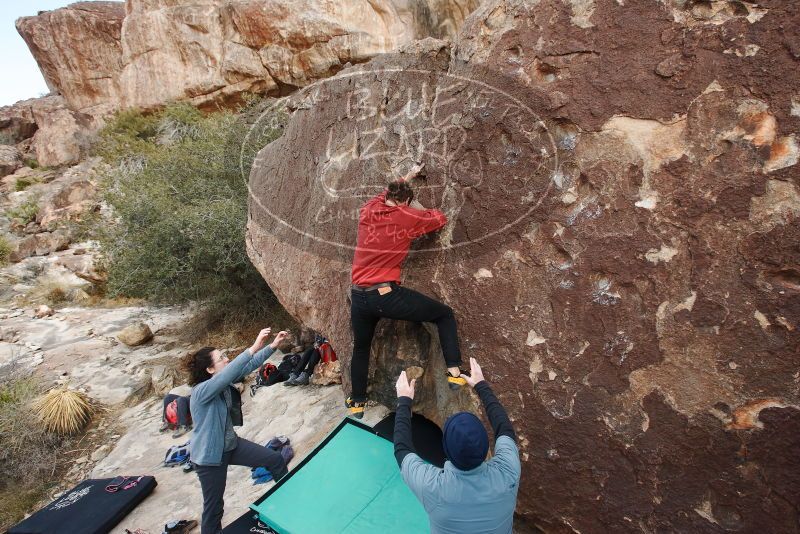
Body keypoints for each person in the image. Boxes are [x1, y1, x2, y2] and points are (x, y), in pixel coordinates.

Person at [347, 163, 465, 418]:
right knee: (443, 314)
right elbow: (439, 219)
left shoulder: (369, 209)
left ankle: (357, 402)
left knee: (361, 347)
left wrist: (408, 175)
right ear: (405, 203)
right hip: (385, 296)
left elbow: (385, 192)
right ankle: (454, 373)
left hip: (358, 297)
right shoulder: (406, 217)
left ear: (388, 196)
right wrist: (416, 206)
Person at [394, 358, 521, 533]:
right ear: (486, 445)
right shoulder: (507, 472)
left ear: (446, 450)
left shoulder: (432, 487)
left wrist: (404, 401)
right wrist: (481, 385)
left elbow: (402, 449)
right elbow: (504, 428)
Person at [186, 327, 291, 534]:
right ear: (209, 370)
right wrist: (253, 346)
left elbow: (248, 366)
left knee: (275, 460)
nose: (226, 359)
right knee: (214, 508)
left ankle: (288, 505)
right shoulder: (201, 392)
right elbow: (231, 372)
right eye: (221, 358)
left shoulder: (220, 382)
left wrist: (272, 346)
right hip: (209, 458)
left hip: (231, 445)